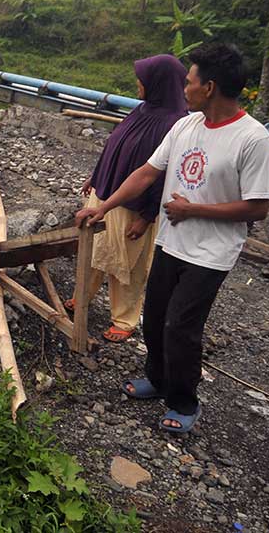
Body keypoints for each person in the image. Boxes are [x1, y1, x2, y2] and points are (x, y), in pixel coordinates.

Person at [75, 43, 269, 433]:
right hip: (172, 242)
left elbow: (257, 207)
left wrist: (193, 210)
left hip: (211, 253)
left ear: (210, 87)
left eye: (190, 81)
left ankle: (184, 402)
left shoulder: (253, 140)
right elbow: (147, 172)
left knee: (181, 327)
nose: (184, 88)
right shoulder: (185, 126)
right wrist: (105, 206)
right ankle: (159, 378)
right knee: (155, 319)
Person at [65, 55, 188, 342]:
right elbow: (115, 146)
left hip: (133, 206)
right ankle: (81, 297)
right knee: (94, 250)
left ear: (158, 83)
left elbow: (164, 176)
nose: (137, 83)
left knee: (127, 265)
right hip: (105, 194)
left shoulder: (176, 124)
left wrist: (147, 216)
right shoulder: (142, 111)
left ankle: (125, 318)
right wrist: (95, 178)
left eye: (142, 79)